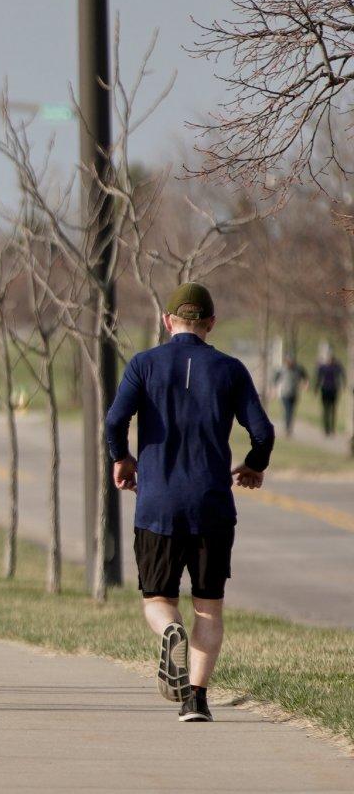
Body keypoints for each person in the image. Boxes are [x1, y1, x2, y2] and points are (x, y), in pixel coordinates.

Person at [106, 282, 274, 723]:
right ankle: (196, 700)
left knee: (157, 598)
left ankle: (169, 631)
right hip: (212, 506)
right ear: (211, 324)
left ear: (167, 321)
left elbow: (114, 420)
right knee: (208, 604)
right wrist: (254, 464)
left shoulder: (143, 365)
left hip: (157, 504)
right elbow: (263, 432)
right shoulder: (230, 370)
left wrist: (121, 458)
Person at [272, 354, 307, 437]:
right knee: (288, 410)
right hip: (285, 393)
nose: (290, 363)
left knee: (292, 411)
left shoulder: (298, 369)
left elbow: (305, 376)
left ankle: (289, 428)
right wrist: (273, 390)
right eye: (288, 361)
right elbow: (275, 379)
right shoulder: (282, 369)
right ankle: (287, 429)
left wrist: (305, 384)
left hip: (294, 393)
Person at [315, 352, 345, 437]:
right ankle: (326, 429)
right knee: (326, 410)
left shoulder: (336, 367)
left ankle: (331, 429)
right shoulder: (323, 367)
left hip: (334, 391)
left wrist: (343, 385)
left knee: (332, 410)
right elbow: (318, 377)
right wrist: (316, 389)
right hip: (325, 391)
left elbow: (342, 373)